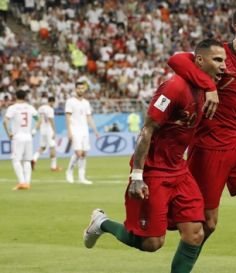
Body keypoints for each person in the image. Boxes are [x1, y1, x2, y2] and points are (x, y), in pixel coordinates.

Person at [82, 39, 226, 273]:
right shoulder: (174, 88)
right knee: (152, 243)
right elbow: (147, 129)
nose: (223, 66)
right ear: (199, 60)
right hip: (153, 171)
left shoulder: (207, 89)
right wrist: (137, 175)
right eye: (218, 60)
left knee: (195, 233)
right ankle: (102, 223)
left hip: (179, 170)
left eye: (224, 61)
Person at [167, 6, 236, 273]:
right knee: (206, 225)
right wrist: (209, 86)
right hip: (208, 147)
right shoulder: (219, 55)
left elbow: (233, 99)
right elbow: (177, 60)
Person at [65, 80, 100, 184]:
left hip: (84, 130)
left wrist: (95, 130)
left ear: (84, 89)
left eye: (82, 88)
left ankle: (82, 177)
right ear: (75, 89)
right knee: (78, 153)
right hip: (75, 129)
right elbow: (67, 117)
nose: (80, 90)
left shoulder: (86, 103)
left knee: (84, 154)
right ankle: (69, 171)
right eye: (79, 88)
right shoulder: (70, 101)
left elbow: (89, 117)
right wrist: (69, 131)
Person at [2, 90, 38, 190]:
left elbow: (5, 122)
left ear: (15, 96)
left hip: (18, 137)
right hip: (28, 137)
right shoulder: (30, 107)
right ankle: (27, 183)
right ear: (25, 97)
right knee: (27, 160)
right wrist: (34, 130)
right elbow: (38, 118)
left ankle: (22, 182)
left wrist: (9, 133)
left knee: (16, 160)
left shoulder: (12, 108)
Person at [32, 96, 61, 171]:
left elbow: (37, 118)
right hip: (49, 130)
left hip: (42, 129)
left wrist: (35, 129)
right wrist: (54, 131)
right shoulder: (50, 109)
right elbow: (51, 120)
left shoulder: (41, 108)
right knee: (52, 147)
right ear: (52, 102)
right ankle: (53, 167)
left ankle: (34, 158)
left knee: (42, 147)